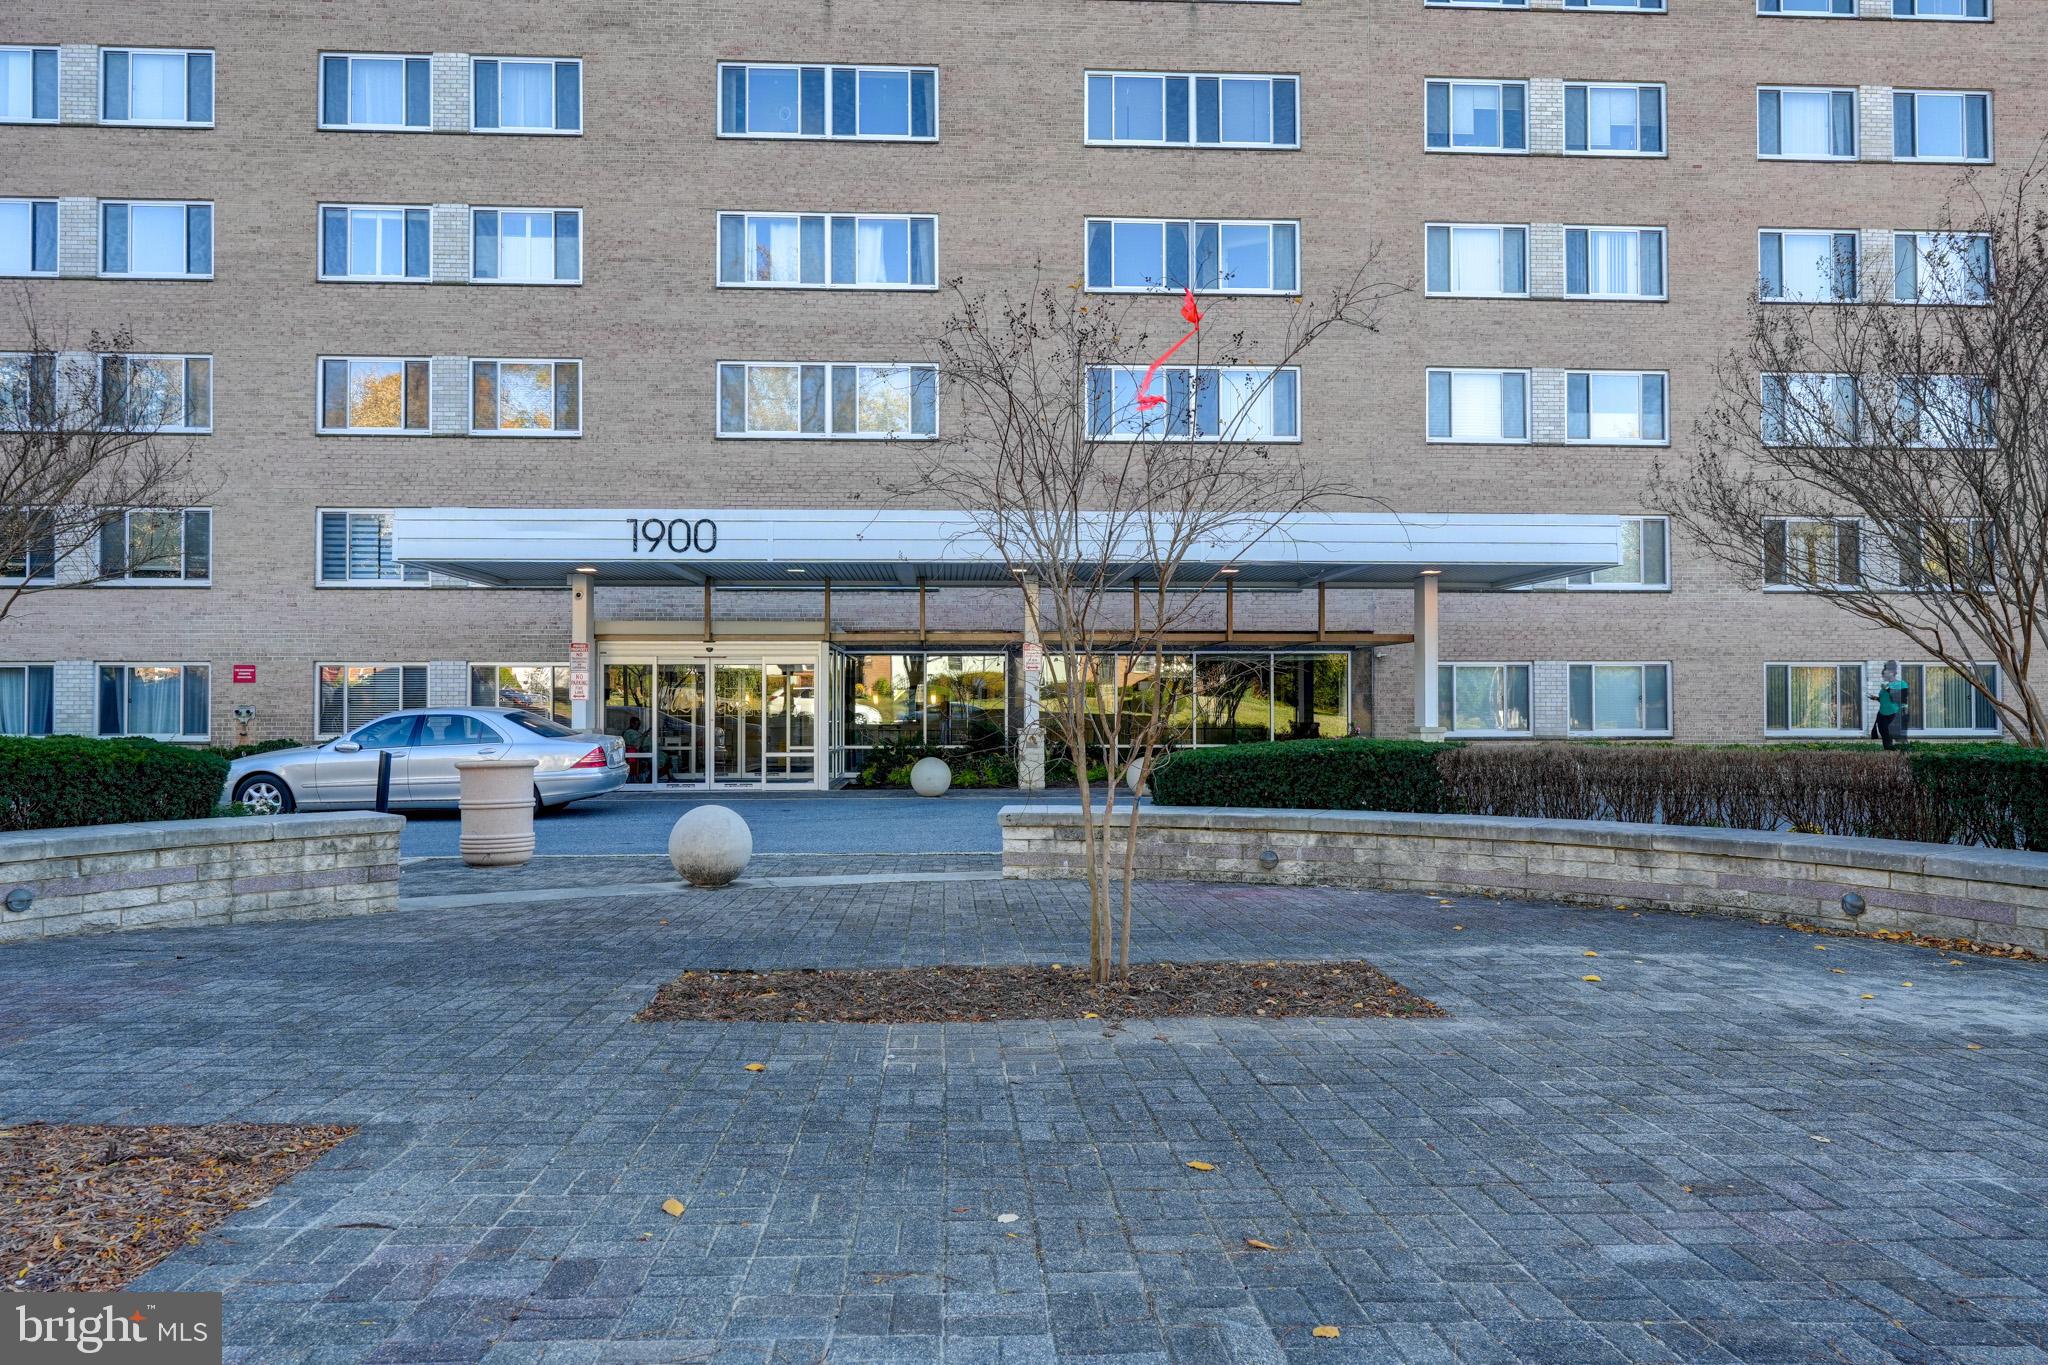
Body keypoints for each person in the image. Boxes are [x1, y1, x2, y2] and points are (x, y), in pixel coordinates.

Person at [1871, 661, 1910, 750]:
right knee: (1885, 737)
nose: (1883, 673)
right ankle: (1889, 756)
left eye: (1885, 671)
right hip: (1882, 715)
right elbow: (1886, 700)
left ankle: (1903, 756)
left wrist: (1888, 689)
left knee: (1897, 738)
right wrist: (1876, 698)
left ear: (1892, 672)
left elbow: (1902, 698)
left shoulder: (1901, 684)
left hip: (1894, 715)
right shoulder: (1886, 685)